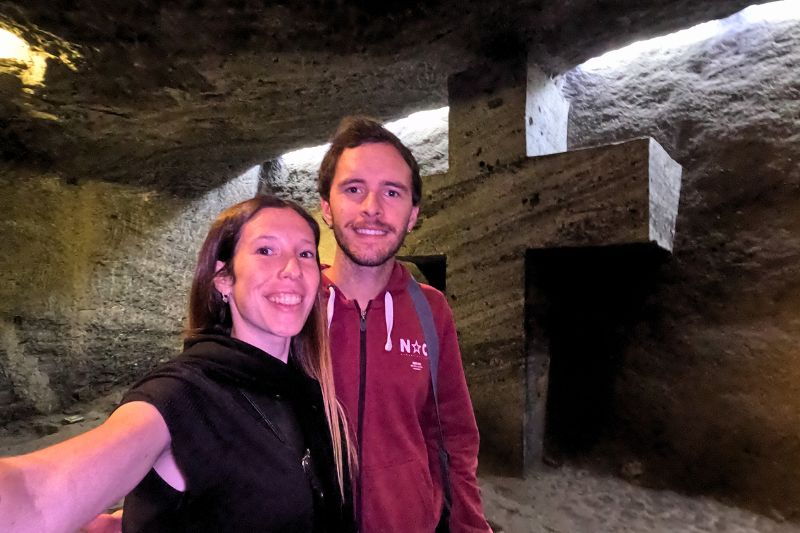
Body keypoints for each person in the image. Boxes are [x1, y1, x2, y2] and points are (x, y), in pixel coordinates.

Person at [0, 195, 355, 533]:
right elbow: (35, 494)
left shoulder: (305, 391)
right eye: (266, 250)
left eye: (306, 253)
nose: (292, 268)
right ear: (223, 279)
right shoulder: (181, 395)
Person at [318, 116, 491, 532]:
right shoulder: (293, 307)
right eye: (354, 189)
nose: (372, 208)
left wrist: (470, 526)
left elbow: (454, 439)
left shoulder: (431, 311)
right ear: (326, 207)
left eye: (391, 192)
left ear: (413, 214)